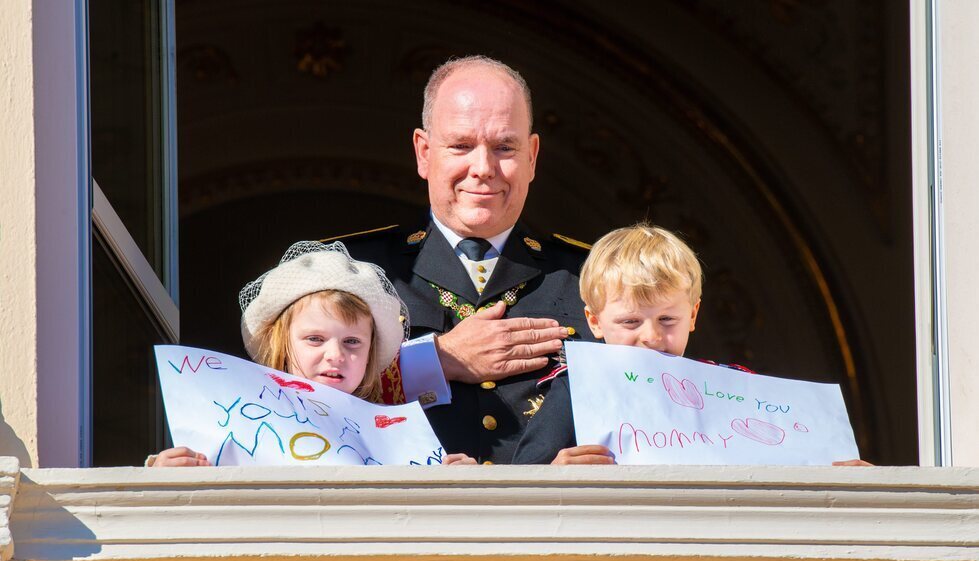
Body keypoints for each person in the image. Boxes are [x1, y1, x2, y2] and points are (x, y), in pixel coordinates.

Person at [332, 55, 592, 464]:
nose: (483, 168)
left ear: (533, 156)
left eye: (505, 147)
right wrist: (436, 361)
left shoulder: (593, 278)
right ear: (424, 152)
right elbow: (297, 398)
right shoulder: (352, 272)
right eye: (461, 146)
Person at [512, 223, 870, 467]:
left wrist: (839, 470)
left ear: (694, 315)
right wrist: (554, 472)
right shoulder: (576, 386)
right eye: (630, 322)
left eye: (668, 320)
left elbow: (791, 462)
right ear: (594, 321)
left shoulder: (731, 387)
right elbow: (524, 478)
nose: (650, 337)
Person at [152, 240, 475, 467]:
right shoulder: (227, 426)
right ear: (281, 345)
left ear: (370, 354)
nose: (334, 354)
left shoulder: (399, 439)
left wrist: (458, 487)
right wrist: (166, 477)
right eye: (315, 339)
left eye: (352, 342)